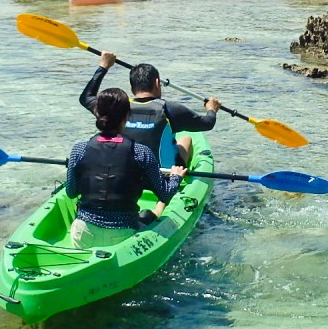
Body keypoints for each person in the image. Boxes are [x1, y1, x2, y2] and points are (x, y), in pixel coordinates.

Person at [80, 53, 221, 220]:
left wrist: (103, 66)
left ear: (132, 87)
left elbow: (86, 98)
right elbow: (207, 123)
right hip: (162, 176)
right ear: (156, 83)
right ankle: (161, 205)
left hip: (125, 176)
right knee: (186, 140)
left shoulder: (116, 108)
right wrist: (211, 108)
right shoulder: (170, 109)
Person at [65, 88, 185, 247]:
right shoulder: (141, 152)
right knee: (149, 214)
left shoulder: (79, 149)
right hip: (123, 237)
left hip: (84, 236)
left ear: (98, 112)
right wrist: (176, 176)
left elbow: (71, 192)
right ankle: (157, 210)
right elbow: (165, 194)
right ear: (127, 115)